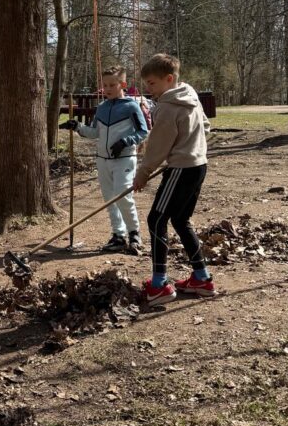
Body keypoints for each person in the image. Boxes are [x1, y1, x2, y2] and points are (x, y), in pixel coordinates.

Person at [133, 52, 213, 305]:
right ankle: (202, 278)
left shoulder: (167, 108)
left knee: (156, 219)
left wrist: (142, 174)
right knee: (180, 219)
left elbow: (158, 148)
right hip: (198, 165)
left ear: (169, 79)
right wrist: (190, 145)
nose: (148, 88)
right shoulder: (190, 95)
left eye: (152, 83)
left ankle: (159, 285)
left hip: (181, 169)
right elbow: (205, 126)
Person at [61, 65, 148, 255]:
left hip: (124, 158)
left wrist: (125, 141)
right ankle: (118, 235)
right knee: (109, 199)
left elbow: (143, 131)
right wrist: (77, 126)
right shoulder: (101, 107)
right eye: (105, 85)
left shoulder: (131, 106)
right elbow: (94, 133)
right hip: (102, 160)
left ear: (122, 85)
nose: (107, 89)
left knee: (122, 195)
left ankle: (134, 234)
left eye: (112, 85)